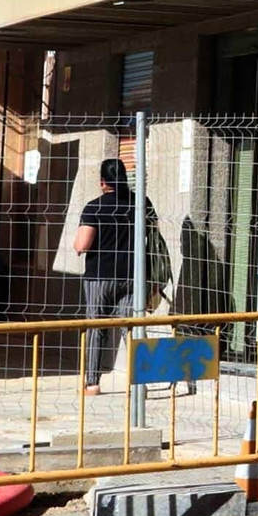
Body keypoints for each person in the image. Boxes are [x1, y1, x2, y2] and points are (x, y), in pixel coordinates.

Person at [73, 158, 156, 395]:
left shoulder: (94, 207)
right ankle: (142, 381)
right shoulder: (142, 203)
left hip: (100, 277)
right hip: (133, 277)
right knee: (131, 328)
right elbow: (154, 232)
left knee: (97, 328)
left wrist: (77, 244)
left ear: (102, 183)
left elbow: (83, 244)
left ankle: (92, 383)